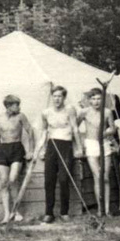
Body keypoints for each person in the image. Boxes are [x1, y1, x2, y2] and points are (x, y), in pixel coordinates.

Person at [40, 85, 81, 224]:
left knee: (64, 179)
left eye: (60, 96)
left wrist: (78, 147)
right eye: (55, 96)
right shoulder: (46, 112)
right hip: (51, 145)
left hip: (66, 145)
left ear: (64, 97)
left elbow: (75, 128)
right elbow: (44, 131)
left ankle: (64, 212)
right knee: (49, 180)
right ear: (52, 97)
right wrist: (42, 149)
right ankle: (48, 213)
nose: (57, 99)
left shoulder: (70, 109)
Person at [0, 94, 33, 224]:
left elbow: (30, 131)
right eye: (16, 105)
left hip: (17, 148)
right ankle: (7, 215)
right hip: (4, 150)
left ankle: (16, 212)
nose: (19, 107)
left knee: (13, 179)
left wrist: (30, 150)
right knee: (4, 182)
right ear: (8, 106)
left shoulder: (21, 116)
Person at [79, 88, 117, 216]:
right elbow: (75, 127)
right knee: (98, 176)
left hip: (104, 144)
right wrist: (81, 143)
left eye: (99, 99)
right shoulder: (84, 112)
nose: (96, 101)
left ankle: (107, 209)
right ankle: (100, 209)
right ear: (89, 100)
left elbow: (113, 128)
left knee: (105, 177)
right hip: (91, 144)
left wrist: (106, 132)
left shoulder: (107, 112)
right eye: (93, 99)